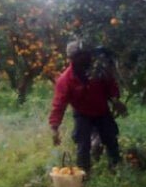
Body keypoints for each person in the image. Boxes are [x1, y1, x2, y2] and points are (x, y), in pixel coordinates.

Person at [49, 40, 127, 172]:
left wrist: (115, 100)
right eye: (79, 56)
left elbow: (110, 84)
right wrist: (55, 128)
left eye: (85, 54)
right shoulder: (66, 80)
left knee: (111, 139)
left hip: (102, 111)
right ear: (71, 59)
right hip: (82, 114)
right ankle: (83, 174)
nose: (85, 58)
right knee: (83, 144)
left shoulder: (97, 70)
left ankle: (116, 169)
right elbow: (59, 104)